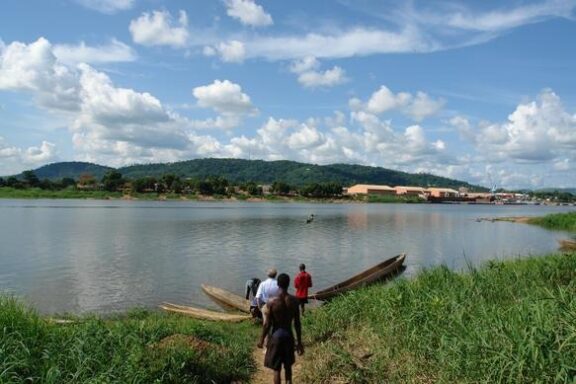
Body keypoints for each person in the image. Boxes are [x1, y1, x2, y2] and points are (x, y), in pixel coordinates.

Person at [257, 273, 303, 384]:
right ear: (289, 284)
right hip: (289, 336)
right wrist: (299, 342)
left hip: (276, 337)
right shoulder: (294, 301)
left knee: (277, 369)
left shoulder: (271, 302)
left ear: (278, 284)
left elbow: (267, 324)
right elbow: (297, 323)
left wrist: (262, 340)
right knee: (288, 368)